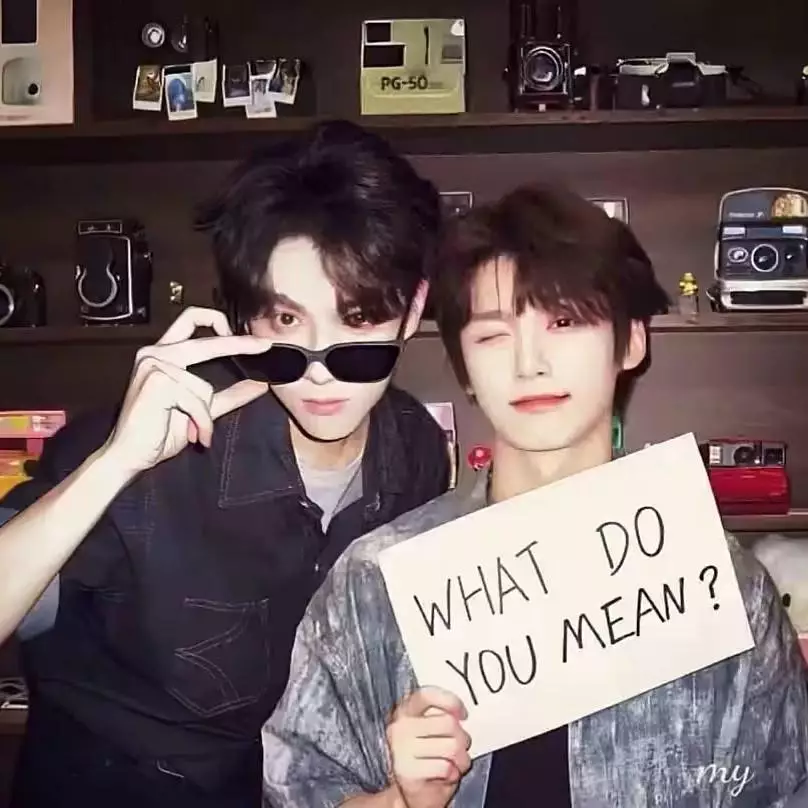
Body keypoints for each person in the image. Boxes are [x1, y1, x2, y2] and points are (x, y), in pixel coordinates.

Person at [262, 184, 808, 808]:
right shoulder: (374, 584)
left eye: (564, 322)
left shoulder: (721, 585)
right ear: (464, 369)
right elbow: (295, 790)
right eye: (492, 336)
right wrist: (403, 800)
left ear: (631, 341)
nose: (529, 363)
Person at [0, 120, 451, 808]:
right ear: (245, 317)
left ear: (413, 308)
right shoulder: (161, 441)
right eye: (286, 322)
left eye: (359, 320)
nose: (320, 370)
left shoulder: (415, 451)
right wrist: (115, 463)